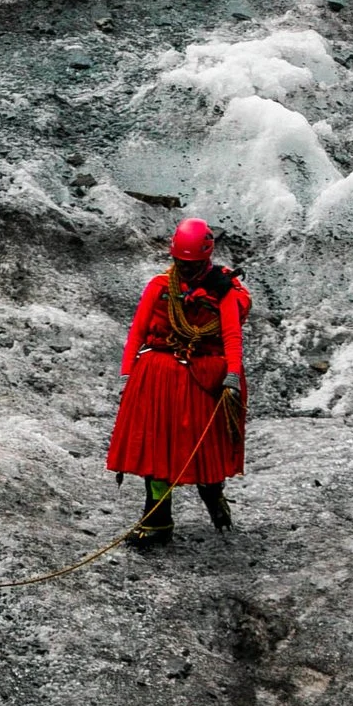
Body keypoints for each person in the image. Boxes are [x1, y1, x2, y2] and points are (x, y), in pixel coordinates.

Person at [106, 217, 249, 543]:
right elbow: (138, 331)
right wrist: (127, 372)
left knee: (202, 450)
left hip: (202, 380)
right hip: (157, 378)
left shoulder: (222, 290)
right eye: (180, 263)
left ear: (205, 259)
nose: (185, 270)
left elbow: (231, 334)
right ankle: (157, 519)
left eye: (192, 264)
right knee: (156, 453)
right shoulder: (159, 286)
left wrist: (231, 374)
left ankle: (212, 495)